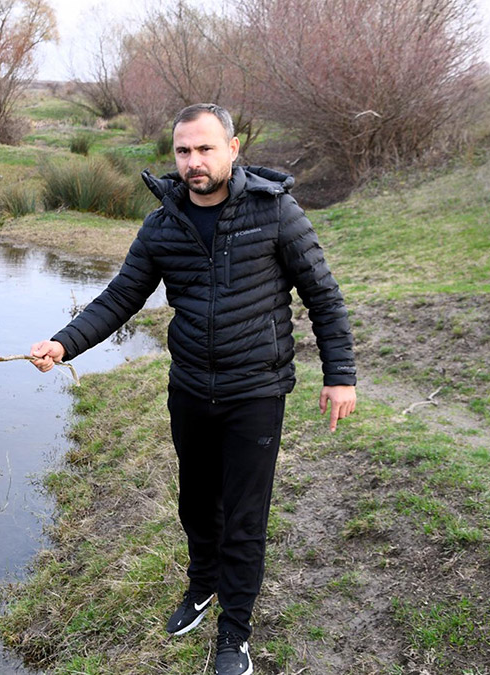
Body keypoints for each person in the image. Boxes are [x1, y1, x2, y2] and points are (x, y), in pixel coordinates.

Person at [29, 103, 357, 675]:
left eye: (205, 149)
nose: (193, 162)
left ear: (233, 149)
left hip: (255, 390)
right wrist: (63, 344)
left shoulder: (276, 212)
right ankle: (202, 585)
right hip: (189, 390)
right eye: (183, 151)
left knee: (245, 517)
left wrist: (340, 375)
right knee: (196, 503)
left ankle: (235, 632)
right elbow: (118, 298)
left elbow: (323, 295)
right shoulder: (163, 224)